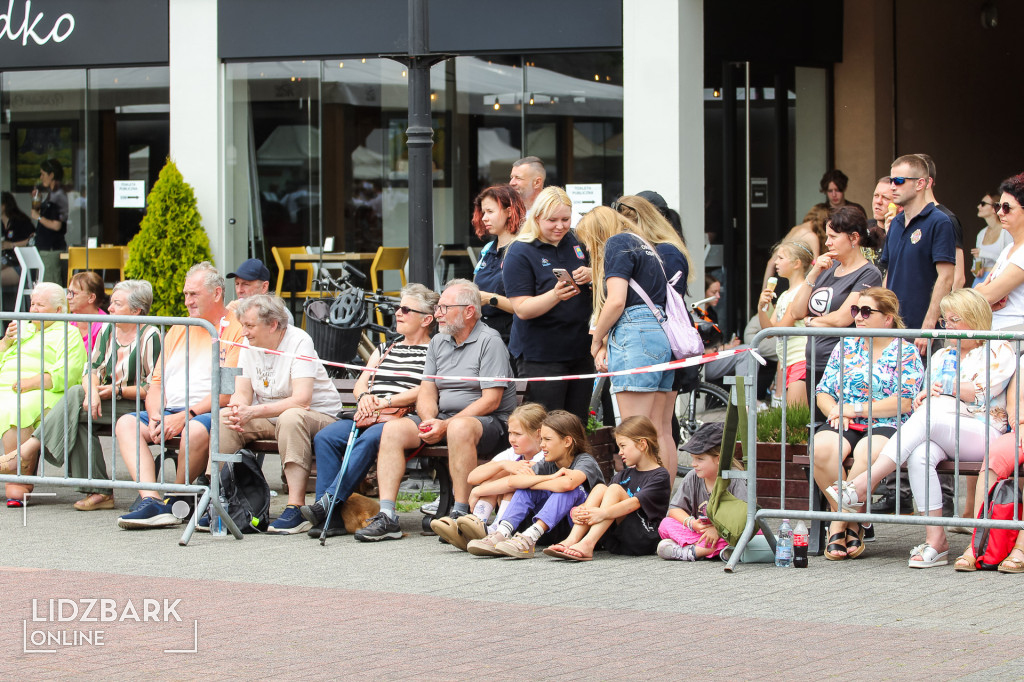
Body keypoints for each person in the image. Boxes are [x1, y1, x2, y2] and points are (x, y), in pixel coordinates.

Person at [830, 289, 1016, 569]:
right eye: (945, 321)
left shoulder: (997, 347)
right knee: (920, 452)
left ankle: (863, 484)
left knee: (926, 418)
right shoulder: (942, 355)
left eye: (955, 320)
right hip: (941, 426)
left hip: (983, 430)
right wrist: (923, 396)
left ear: (975, 320)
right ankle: (936, 541)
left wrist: (942, 392)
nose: (948, 327)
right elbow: (929, 395)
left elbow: (981, 390)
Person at [355, 279, 518, 542]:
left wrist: (446, 423)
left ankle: (461, 515)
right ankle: (387, 516)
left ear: (468, 311)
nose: (438, 313)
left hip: (486, 421)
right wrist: (430, 419)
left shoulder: (491, 341)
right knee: (394, 429)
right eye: (439, 307)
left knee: (459, 427)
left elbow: (491, 400)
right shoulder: (439, 341)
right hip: (443, 417)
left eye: (444, 307)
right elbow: (427, 389)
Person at [0, 280, 160, 511]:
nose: (110, 308)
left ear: (136, 311)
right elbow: (91, 369)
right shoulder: (107, 328)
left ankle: (24, 453)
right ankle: (100, 492)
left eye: (116, 303)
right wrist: (93, 391)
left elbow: (153, 386)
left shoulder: (150, 335)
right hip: (107, 398)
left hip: (135, 402)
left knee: (75, 398)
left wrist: (116, 390)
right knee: (79, 413)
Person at [115, 262, 246, 529]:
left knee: (194, 431)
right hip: (169, 410)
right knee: (126, 423)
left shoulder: (237, 329)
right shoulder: (178, 329)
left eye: (194, 294)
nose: (187, 301)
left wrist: (185, 416)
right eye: (185, 294)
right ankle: (150, 500)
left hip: (206, 413)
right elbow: (157, 383)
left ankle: (176, 497)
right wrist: (154, 415)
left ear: (217, 293)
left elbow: (228, 392)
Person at [300, 284, 438, 537]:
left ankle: (329, 505)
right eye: (398, 308)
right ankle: (331, 518)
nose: (398, 313)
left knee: (372, 437)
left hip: (402, 416)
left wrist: (387, 401)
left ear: (427, 319)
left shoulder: (435, 350)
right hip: (370, 414)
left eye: (406, 309)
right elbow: (362, 382)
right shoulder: (385, 348)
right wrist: (364, 397)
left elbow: (425, 388)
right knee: (326, 437)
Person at [212, 294, 342, 534]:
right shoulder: (248, 345)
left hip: (318, 416)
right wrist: (238, 409)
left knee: (291, 417)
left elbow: (302, 400)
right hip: (270, 415)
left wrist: (252, 411)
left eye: (250, 326)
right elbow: (241, 393)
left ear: (272, 325)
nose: (244, 333)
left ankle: (295, 507)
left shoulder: (299, 340)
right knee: (224, 419)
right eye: (243, 326)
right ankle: (221, 499)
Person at [810, 287, 923, 560]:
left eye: (865, 311)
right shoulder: (846, 345)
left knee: (866, 453)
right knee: (822, 448)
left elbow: (904, 402)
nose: (858, 317)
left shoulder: (905, 351)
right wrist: (836, 410)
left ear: (887, 319)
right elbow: (823, 391)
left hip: (887, 421)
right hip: (845, 419)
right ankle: (857, 520)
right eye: (854, 311)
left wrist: (855, 408)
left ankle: (838, 525)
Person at [575, 205, 675, 474]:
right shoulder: (644, 244)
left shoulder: (616, 244)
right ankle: (659, 502)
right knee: (654, 430)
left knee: (632, 430)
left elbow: (617, 301)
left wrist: (597, 338)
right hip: (658, 333)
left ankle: (642, 502)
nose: (588, 250)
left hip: (633, 333)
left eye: (588, 242)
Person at [612, 194, 695, 481]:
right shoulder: (668, 248)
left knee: (645, 428)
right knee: (659, 427)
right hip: (666, 339)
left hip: (653, 337)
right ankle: (663, 494)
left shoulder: (662, 251)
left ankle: (653, 496)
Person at [502, 186, 593, 422]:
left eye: (565, 219)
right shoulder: (520, 251)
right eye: (552, 220)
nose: (560, 226)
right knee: (548, 426)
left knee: (577, 424)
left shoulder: (576, 241)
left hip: (580, 349)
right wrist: (555, 295)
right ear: (537, 217)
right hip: (541, 356)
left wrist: (592, 275)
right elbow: (522, 308)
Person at [462, 410, 605, 558]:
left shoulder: (585, 461)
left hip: (577, 529)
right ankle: (501, 532)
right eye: (541, 439)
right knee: (527, 489)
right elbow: (515, 481)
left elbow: (567, 484)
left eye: (548, 439)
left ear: (567, 441)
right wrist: (550, 478)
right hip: (551, 529)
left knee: (569, 490)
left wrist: (533, 482)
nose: (542, 445)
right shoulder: (547, 463)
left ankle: (529, 538)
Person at [788, 205, 884, 419]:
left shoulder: (869, 273)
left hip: (844, 363)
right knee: (816, 425)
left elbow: (843, 317)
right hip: (814, 360)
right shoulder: (827, 269)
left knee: (837, 425)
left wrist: (811, 322)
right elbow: (795, 311)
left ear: (854, 238)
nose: (827, 242)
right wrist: (813, 273)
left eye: (833, 236)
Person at [0, 282, 88, 505]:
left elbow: (69, 373)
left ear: (59, 310)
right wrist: (6, 342)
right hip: (7, 386)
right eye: (32, 304)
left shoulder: (69, 332)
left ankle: (19, 479)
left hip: (45, 391)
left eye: (40, 305)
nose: (33, 310)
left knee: (18, 409)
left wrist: (32, 382)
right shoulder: (22, 328)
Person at [544, 415, 670, 560]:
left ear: (642, 444)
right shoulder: (625, 474)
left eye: (623, 446)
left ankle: (587, 543)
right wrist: (581, 510)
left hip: (643, 537)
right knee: (600, 488)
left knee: (614, 489)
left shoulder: (660, 475)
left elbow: (633, 503)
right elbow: (604, 499)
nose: (620, 452)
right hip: (618, 538)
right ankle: (572, 540)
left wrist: (602, 513)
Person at [879, 155, 956, 355]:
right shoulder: (895, 224)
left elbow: (946, 277)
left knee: (925, 387)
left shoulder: (940, 221)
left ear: (920, 183)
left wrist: (928, 328)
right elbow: (889, 275)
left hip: (923, 334)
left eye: (899, 181)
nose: (892, 187)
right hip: (893, 331)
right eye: (890, 181)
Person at [455, 402, 547, 543]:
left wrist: (478, 491)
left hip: (535, 516)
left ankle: (497, 530)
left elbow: (513, 483)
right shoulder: (513, 453)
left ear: (538, 434)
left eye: (517, 434)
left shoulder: (544, 457)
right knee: (495, 474)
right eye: (510, 433)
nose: (511, 439)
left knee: (510, 483)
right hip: (516, 514)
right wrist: (503, 464)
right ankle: (478, 523)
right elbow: (472, 477)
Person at [657, 422, 745, 561]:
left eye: (700, 459)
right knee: (665, 524)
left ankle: (693, 551)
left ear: (718, 458)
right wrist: (692, 523)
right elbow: (674, 509)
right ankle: (716, 551)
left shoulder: (735, 478)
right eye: (693, 458)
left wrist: (717, 530)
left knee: (751, 535)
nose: (693, 464)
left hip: (726, 533)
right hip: (701, 532)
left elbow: (743, 517)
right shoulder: (692, 476)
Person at [757, 240, 815, 407]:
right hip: (788, 360)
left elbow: (781, 327)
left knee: (795, 418)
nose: (776, 262)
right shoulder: (784, 295)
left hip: (800, 358)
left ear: (797, 263)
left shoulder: (801, 290)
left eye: (781, 258)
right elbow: (769, 331)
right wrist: (761, 307)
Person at [471, 185, 526, 345]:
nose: (484, 218)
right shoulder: (487, 250)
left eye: (490, 212)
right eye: (483, 212)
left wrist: (489, 298)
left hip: (513, 337)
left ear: (509, 211)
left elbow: (526, 305)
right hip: (484, 335)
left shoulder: (524, 250)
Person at [975, 173, 1024, 329]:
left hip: (1015, 335)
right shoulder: (1009, 249)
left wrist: (983, 293)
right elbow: (983, 293)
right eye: (997, 206)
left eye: (1006, 207)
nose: (999, 212)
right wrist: (982, 293)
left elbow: (986, 295)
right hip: (997, 331)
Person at [916, 153, 966, 290]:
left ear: (926, 182)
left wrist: (948, 311)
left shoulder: (946, 219)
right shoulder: (904, 220)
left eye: (906, 179)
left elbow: (958, 278)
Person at [761, 205, 828, 289]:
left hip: (779, 279)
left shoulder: (795, 229)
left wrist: (764, 290)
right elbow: (817, 266)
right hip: (792, 281)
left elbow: (771, 262)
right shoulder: (811, 236)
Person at [31, 158, 69, 284]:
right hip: (46, 249)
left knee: (50, 287)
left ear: (51, 175)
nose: (41, 177)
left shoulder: (58, 195)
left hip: (51, 249)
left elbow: (56, 225)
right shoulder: (51, 195)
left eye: (43, 174)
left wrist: (39, 218)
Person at [971, 192, 1011, 287]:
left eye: (983, 204)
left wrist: (983, 253)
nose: (978, 206)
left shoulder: (1006, 231)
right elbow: (977, 262)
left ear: (994, 208)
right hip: (980, 281)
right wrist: (976, 269)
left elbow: (1009, 259)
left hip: (998, 280)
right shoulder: (981, 234)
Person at [67, 271, 108, 355]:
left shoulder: (105, 326)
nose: (68, 297)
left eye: (73, 293)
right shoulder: (69, 322)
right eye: (68, 292)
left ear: (91, 297)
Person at [1, 191, 34, 287]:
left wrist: (11, 245)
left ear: (4, 206)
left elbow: (32, 240)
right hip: (6, 261)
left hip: (21, 264)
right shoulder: (1, 225)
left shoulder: (20, 222)